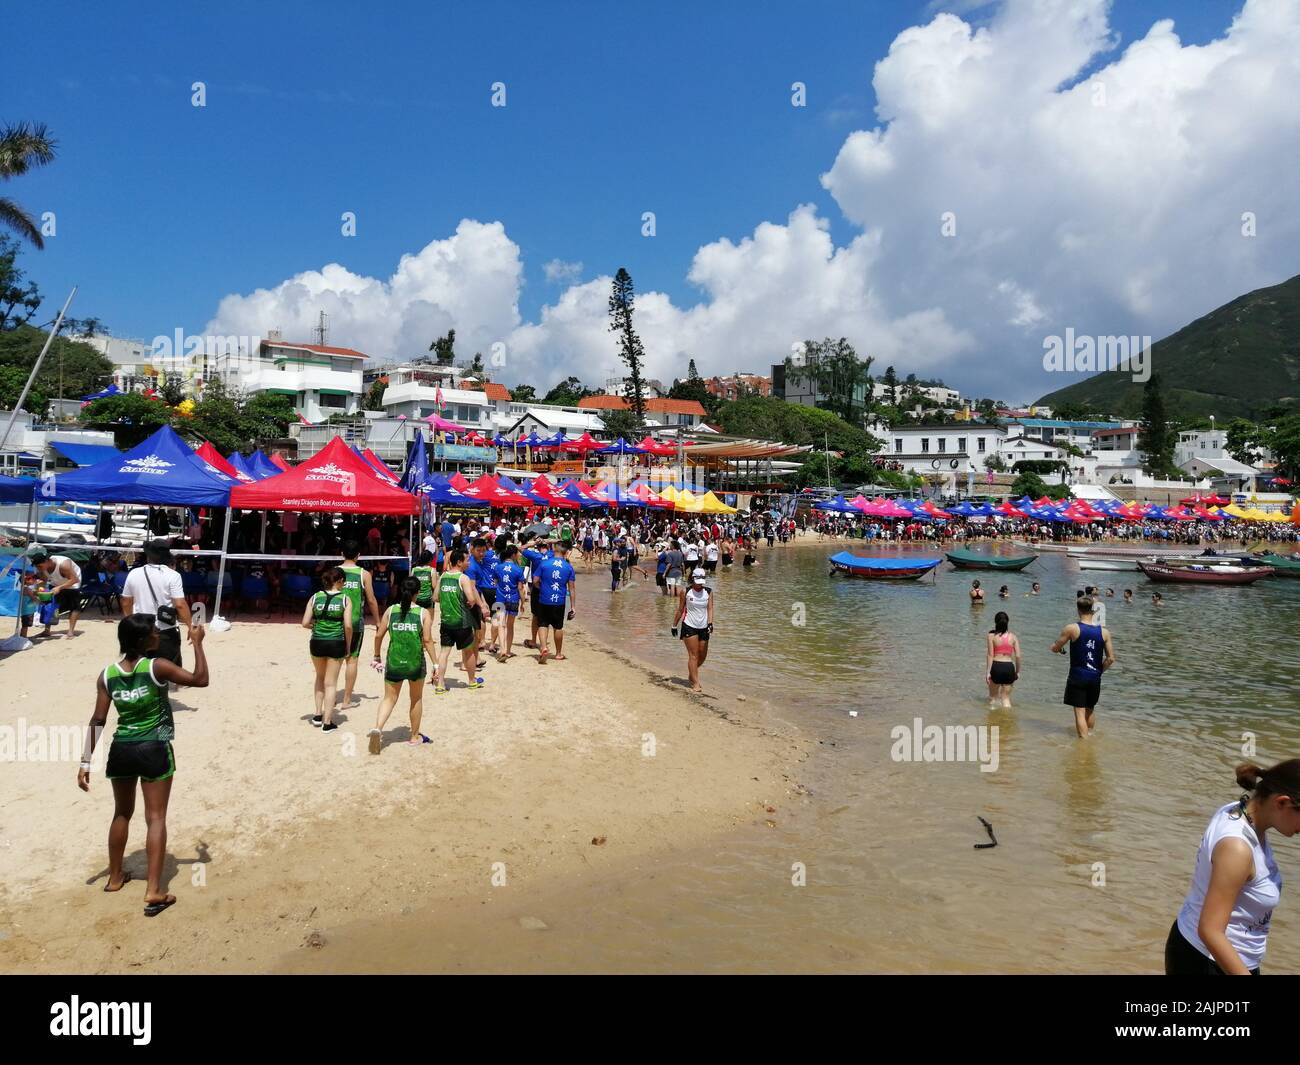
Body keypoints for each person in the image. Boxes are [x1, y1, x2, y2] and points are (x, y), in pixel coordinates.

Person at [78, 614, 209, 917]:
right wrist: (199, 645)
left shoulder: (107, 674)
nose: (157, 635)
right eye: (152, 632)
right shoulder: (156, 666)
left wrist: (86, 760)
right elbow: (200, 679)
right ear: (142, 640)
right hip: (155, 746)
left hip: (122, 748)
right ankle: (154, 890)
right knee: (156, 818)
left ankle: (113, 878)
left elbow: (98, 719)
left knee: (122, 813)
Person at [1166, 760, 1300, 975]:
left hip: (1208, 954)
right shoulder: (1237, 848)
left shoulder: (1237, 811)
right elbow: (1210, 931)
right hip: (1208, 962)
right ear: (1282, 802)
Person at [368, 577, 435, 754]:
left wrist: (377, 655)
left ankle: (377, 728)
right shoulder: (423, 613)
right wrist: (436, 663)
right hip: (415, 663)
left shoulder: (390, 611)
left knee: (389, 699)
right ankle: (414, 737)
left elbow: (378, 635)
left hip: (394, 662)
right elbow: (427, 640)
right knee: (416, 698)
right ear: (417, 593)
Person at [1050, 595, 1115, 739]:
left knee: (1079, 712)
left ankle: (1084, 746)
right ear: (1093, 610)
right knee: (1090, 709)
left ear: (1078, 609)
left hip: (1078, 676)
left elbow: (1056, 648)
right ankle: (1090, 735)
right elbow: (1111, 658)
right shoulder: (1104, 632)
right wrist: (1099, 671)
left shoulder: (1072, 628)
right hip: (1094, 677)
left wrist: (1055, 647)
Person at [121, 540, 191, 667]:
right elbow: (180, 604)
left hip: (141, 628)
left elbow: (126, 601)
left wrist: (130, 621)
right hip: (165, 628)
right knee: (170, 670)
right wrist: (190, 626)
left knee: (141, 667)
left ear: (148, 556)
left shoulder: (134, 573)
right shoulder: (173, 576)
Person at [302, 567, 353, 732]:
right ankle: (327, 722)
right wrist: (348, 645)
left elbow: (304, 623)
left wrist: (316, 626)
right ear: (338, 581)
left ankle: (317, 715)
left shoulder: (315, 597)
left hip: (316, 641)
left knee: (319, 677)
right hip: (336, 642)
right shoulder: (345, 599)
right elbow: (348, 625)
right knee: (331, 684)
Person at [338, 541, 381, 711]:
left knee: (333, 661)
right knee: (352, 659)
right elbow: (371, 599)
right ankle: (347, 700)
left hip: (334, 621)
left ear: (342, 554)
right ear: (358, 556)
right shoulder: (364, 574)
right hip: (355, 621)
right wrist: (378, 621)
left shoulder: (335, 572)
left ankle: (331, 696)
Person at [432, 549, 481, 693]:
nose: (469, 562)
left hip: (446, 621)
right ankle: (472, 681)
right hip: (462, 622)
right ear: (459, 562)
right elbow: (471, 599)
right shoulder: (463, 578)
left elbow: (435, 598)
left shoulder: (443, 577)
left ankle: (440, 684)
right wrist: (470, 603)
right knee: (469, 651)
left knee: (444, 652)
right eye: (467, 560)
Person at [533, 542, 576, 662]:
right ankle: (558, 653)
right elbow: (571, 588)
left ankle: (543, 647)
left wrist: (540, 588)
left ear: (554, 550)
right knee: (558, 627)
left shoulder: (544, 563)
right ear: (566, 552)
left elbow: (535, 580)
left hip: (544, 599)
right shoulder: (568, 567)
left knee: (542, 624)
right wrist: (573, 607)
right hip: (559, 601)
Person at [673, 567, 714, 694]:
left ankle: (692, 673)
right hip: (689, 625)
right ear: (693, 578)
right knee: (694, 655)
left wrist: (710, 623)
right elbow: (680, 609)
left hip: (704, 627)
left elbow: (710, 609)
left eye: (702, 580)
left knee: (702, 655)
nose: (700, 583)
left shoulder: (709, 591)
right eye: (698, 580)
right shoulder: (686, 591)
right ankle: (695, 682)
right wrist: (674, 625)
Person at [33, 548, 83, 637]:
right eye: (37, 567)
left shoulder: (64, 565)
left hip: (72, 584)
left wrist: (60, 588)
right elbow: (43, 580)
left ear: (47, 561)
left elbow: (75, 579)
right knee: (49, 605)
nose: (38, 569)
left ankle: (70, 631)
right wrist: (39, 591)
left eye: (40, 566)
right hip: (56, 583)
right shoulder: (42, 568)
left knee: (74, 607)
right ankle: (47, 630)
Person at [493, 545, 527, 660]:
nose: (519, 555)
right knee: (510, 626)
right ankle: (507, 650)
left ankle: (502, 649)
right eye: (518, 553)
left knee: (500, 624)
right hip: (513, 599)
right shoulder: (518, 569)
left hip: (499, 599)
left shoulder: (498, 567)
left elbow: (495, 583)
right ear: (513, 555)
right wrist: (523, 602)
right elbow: (520, 588)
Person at [985, 611, 1021, 709]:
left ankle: (993, 720)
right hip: (1009, 667)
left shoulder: (991, 636)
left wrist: (988, 672)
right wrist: (1017, 672)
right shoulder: (1013, 637)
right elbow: (1018, 656)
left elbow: (990, 655)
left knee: (993, 698)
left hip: (996, 666)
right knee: (1006, 698)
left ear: (996, 622)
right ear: (1007, 622)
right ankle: (1007, 720)